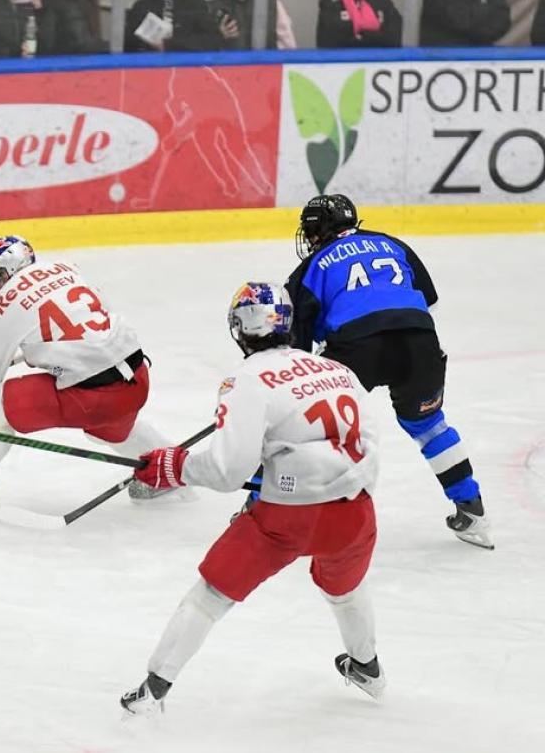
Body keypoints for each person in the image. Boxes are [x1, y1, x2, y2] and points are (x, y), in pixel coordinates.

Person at [120, 282, 384, 716]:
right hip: (355, 514)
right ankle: (367, 666)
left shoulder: (245, 381)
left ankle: (152, 690)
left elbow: (228, 470)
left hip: (285, 521)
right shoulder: (338, 370)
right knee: (347, 590)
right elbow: (367, 440)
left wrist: (174, 466)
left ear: (240, 329)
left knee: (209, 596)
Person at [284, 194, 491, 549]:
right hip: (419, 340)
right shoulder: (392, 243)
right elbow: (427, 299)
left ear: (318, 229)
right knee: (428, 424)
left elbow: (296, 343)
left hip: (355, 346)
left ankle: (275, 512)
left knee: (315, 425)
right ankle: (472, 510)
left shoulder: (312, 266)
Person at [0, 236, 149, 510]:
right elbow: (102, 315)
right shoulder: (66, 268)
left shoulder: (1, 307)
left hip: (92, 399)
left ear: (4, 273)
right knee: (108, 428)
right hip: (137, 378)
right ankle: (166, 465)